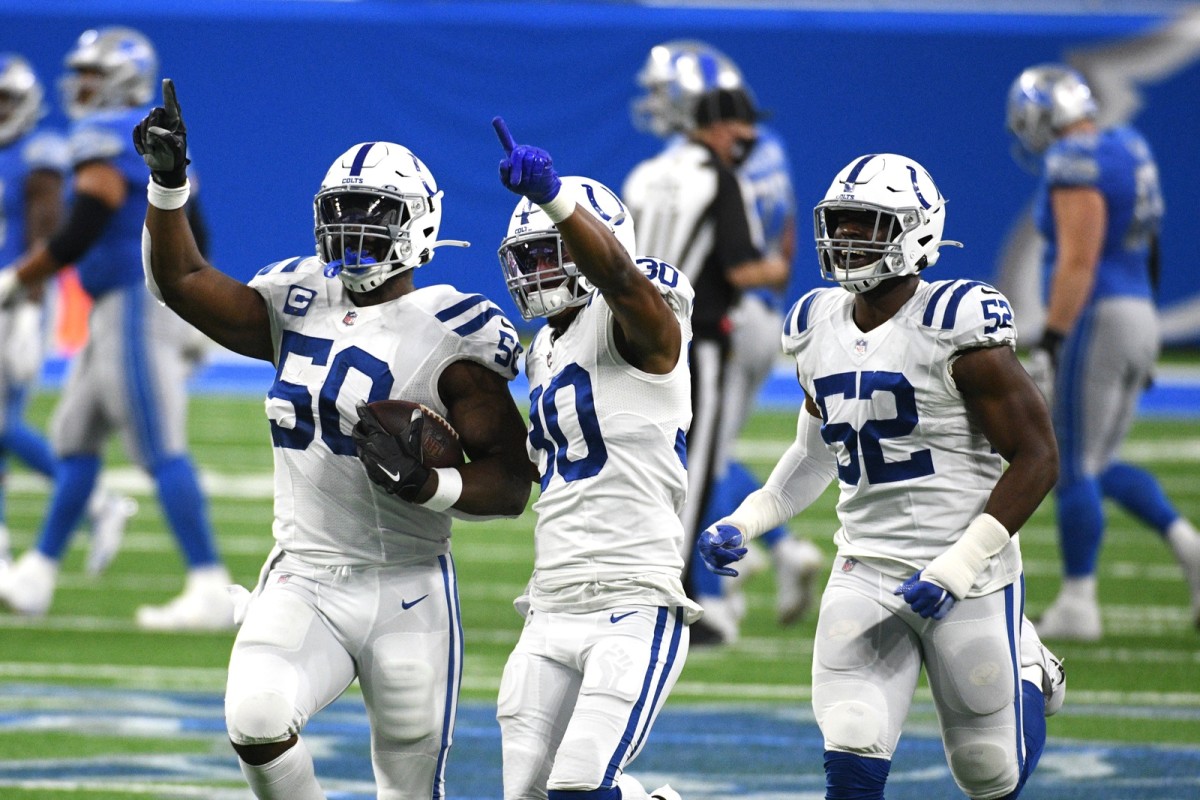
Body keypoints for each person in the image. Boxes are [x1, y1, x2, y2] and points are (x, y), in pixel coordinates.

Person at [134, 78, 533, 799]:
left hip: (407, 586)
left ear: (419, 225)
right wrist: (169, 185)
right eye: (341, 211)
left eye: (373, 214)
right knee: (256, 716)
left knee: (410, 789)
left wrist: (431, 484)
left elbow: (509, 483)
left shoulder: (453, 331)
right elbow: (183, 280)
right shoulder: (296, 298)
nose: (352, 228)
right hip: (303, 574)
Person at [699, 153, 1066, 799]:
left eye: (865, 225)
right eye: (838, 224)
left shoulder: (958, 323)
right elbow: (814, 456)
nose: (845, 240)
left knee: (988, 771)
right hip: (865, 567)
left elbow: (1038, 456)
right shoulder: (816, 324)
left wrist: (957, 567)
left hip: (968, 572)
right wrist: (744, 520)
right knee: (853, 741)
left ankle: (1030, 669)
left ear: (915, 233)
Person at [492, 116, 696, 800]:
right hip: (551, 598)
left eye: (552, 252)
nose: (538, 271)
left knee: (579, 786)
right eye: (529, 257)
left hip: (634, 594)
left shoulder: (641, 320)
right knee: (525, 794)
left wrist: (556, 200)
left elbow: (620, 279)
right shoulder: (543, 350)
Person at [0, 28, 213, 627]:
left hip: (133, 299)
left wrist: (18, 280)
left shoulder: (110, 135)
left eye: (92, 73)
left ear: (120, 77)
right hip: (117, 304)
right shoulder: (148, 134)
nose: (82, 85)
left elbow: (83, 225)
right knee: (75, 436)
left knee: (158, 445)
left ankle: (209, 583)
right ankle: (38, 573)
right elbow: (198, 224)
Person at [1006, 64, 1200, 641]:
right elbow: (1152, 247)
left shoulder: (1075, 161)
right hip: (1137, 310)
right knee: (1100, 463)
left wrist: (1055, 338)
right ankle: (1188, 546)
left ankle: (1078, 602)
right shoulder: (1128, 144)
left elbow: (1078, 261)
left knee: (1069, 462)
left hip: (1098, 315)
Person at [624, 53, 797, 644]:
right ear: (721, 125)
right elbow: (744, 267)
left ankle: (636, 579)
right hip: (697, 340)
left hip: (631, 333)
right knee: (694, 471)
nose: (747, 139)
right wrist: (780, 264)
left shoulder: (647, 172)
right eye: (740, 128)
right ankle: (676, 593)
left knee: (640, 461)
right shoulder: (721, 176)